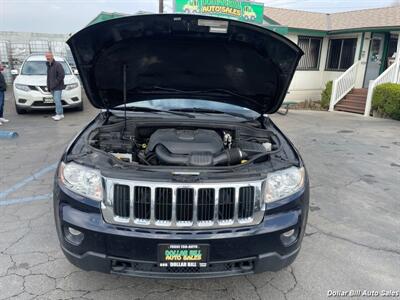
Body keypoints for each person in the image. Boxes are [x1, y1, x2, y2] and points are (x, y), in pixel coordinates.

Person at [46, 52, 65, 121]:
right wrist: (49, 86)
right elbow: (49, 77)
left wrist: (54, 83)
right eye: (46, 56)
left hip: (58, 87)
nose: (48, 57)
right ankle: (61, 114)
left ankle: (58, 114)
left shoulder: (57, 65)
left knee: (57, 101)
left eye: (49, 56)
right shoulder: (48, 65)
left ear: (52, 56)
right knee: (56, 101)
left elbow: (62, 75)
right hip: (52, 87)